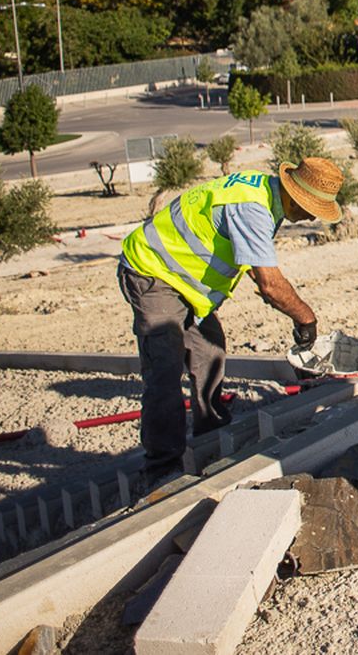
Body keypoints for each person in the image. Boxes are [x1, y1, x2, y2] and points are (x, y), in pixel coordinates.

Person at [118, 156, 341, 485]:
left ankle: (211, 437)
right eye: (310, 207)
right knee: (164, 370)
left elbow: (250, 262)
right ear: (294, 195)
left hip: (185, 284)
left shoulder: (265, 190)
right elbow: (269, 283)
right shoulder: (252, 209)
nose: (311, 215)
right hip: (153, 272)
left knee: (210, 353)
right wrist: (306, 318)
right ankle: (162, 470)